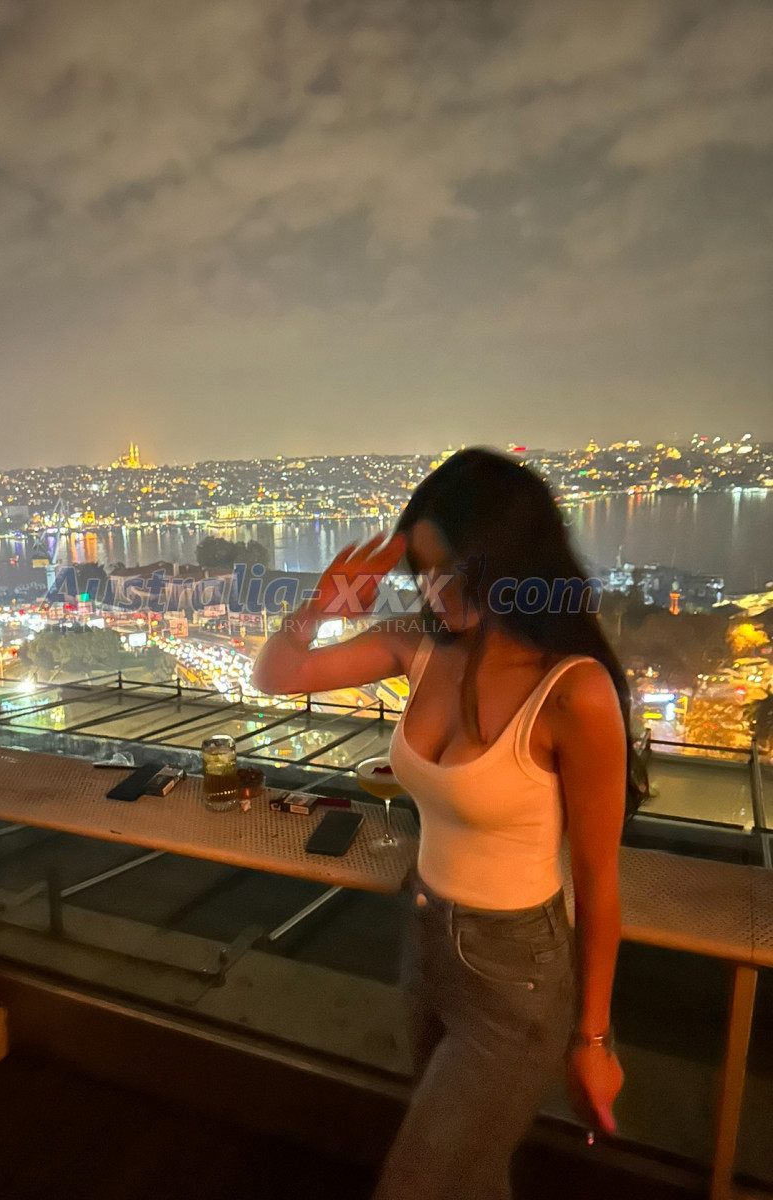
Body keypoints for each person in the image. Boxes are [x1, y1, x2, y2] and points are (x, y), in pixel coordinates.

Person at [251, 447, 648, 1200]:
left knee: (418, 1184)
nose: (435, 589)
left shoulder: (573, 690)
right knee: (470, 1175)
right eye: (423, 571)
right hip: (426, 939)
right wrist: (319, 606)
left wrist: (593, 1038)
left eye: (453, 568)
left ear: (510, 560)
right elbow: (277, 675)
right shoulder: (420, 644)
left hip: (516, 976)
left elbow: (599, 882)